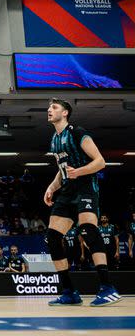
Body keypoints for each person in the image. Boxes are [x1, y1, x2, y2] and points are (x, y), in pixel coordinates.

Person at [43, 98, 120, 306]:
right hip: (67, 190)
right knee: (52, 237)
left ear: (65, 112)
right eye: (49, 108)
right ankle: (69, 291)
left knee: (87, 229)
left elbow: (100, 162)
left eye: (54, 107)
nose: (49, 110)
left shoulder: (77, 132)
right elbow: (62, 171)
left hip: (86, 185)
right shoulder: (54, 139)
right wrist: (51, 187)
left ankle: (107, 287)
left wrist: (79, 172)